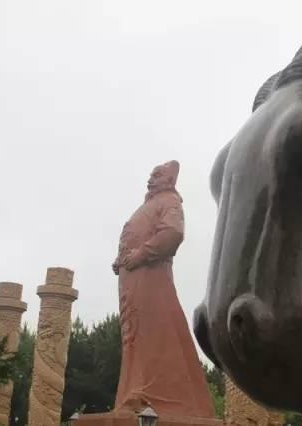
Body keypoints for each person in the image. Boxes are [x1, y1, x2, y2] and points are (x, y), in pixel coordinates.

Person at [111, 160, 215, 418]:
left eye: (156, 175)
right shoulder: (148, 205)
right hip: (132, 281)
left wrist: (141, 254)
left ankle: (150, 392)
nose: (150, 179)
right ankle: (133, 389)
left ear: (169, 180)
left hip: (151, 277)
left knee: (153, 330)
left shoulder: (170, 201)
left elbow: (173, 233)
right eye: (150, 174)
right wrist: (121, 259)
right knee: (133, 335)